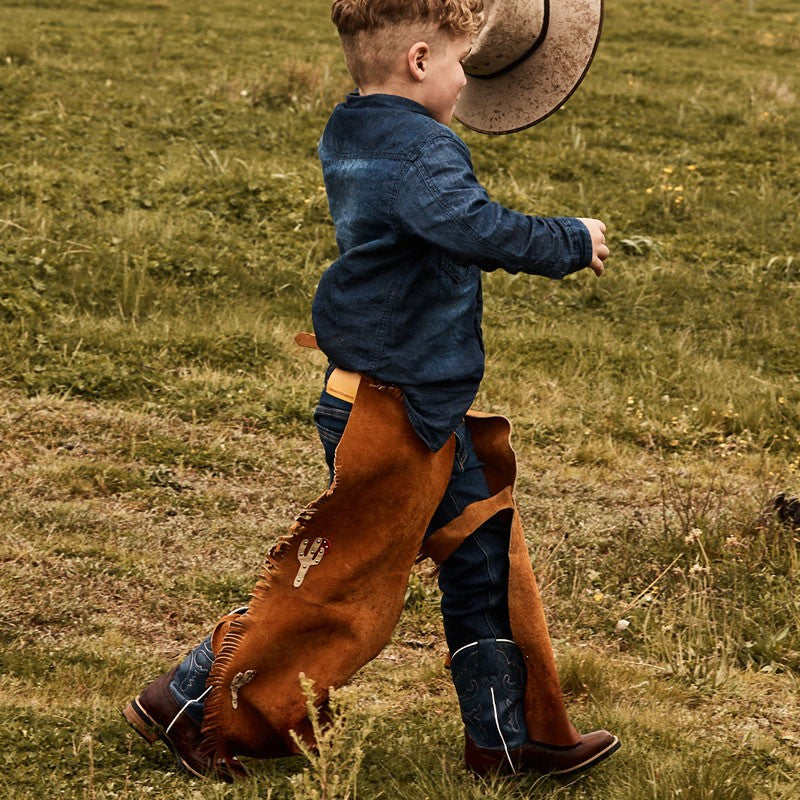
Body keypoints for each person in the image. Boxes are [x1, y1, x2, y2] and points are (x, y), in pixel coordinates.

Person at [123, 0, 620, 782]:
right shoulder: (423, 151)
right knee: (339, 583)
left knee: (483, 553)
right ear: (420, 61)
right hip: (391, 409)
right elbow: (473, 226)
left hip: (420, 401)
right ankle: (187, 699)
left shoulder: (352, 127)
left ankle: (508, 737)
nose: (465, 81)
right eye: (461, 63)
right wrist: (568, 238)